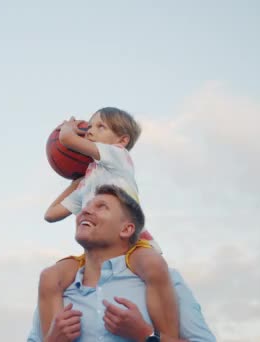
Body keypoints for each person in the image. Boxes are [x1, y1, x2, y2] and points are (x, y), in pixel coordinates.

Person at [40, 108, 178, 341]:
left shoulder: (117, 156)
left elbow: (66, 139)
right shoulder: (89, 181)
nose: (90, 131)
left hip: (131, 242)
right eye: (89, 126)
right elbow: (51, 214)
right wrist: (76, 182)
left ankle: (167, 334)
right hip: (95, 252)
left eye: (99, 127)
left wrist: (69, 128)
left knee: (153, 265)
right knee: (50, 277)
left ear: (122, 140)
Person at [28, 185, 216, 342]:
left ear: (126, 229)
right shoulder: (58, 289)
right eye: (86, 207)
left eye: (101, 207)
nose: (85, 210)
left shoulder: (166, 279)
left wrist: (145, 335)